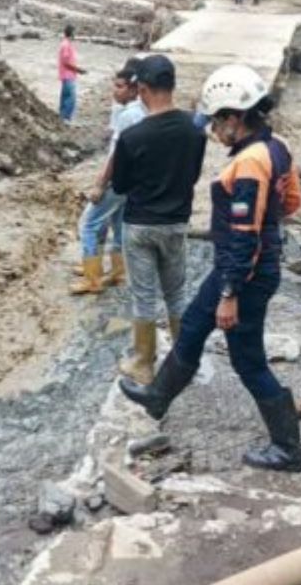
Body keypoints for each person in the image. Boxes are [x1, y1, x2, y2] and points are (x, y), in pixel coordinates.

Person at [119, 64, 301, 473]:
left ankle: (289, 448)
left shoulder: (250, 164)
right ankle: (158, 396)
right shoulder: (278, 146)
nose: (213, 130)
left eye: (217, 121)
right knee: (193, 326)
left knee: (248, 360)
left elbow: (243, 235)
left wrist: (230, 293)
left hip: (243, 274)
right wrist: (267, 224)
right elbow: (292, 203)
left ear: (235, 117)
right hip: (244, 266)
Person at [111, 55, 206, 385]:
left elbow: (120, 185)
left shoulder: (133, 136)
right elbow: (192, 175)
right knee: (177, 294)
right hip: (176, 223)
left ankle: (143, 362)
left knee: (144, 297)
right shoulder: (196, 130)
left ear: (144, 89)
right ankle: (183, 362)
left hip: (139, 225)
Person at [70, 59, 147, 296]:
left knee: (90, 224)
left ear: (134, 89)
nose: (114, 91)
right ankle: (117, 272)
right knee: (119, 224)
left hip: (118, 180)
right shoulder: (142, 111)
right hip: (133, 182)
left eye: (120, 86)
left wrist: (100, 184)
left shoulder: (127, 115)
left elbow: (116, 154)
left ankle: (92, 278)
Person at [58, 24, 86, 123]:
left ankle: (61, 117)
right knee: (71, 98)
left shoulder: (67, 44)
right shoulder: (66, 45)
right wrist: (79, 70)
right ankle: (66, 118)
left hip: (67, 75)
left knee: (65, 96)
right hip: (68, 75)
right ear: (71, 33)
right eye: (75, 32)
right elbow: (66, 62)